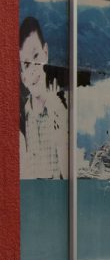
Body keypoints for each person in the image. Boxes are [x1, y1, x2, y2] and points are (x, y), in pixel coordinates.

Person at [19, 16, 68, 180]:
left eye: (36, 56)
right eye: (26, 65)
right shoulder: (22, 120)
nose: (33, 68)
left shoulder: (62, 109)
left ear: (45, 53)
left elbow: (68, 174)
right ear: (23, 77)